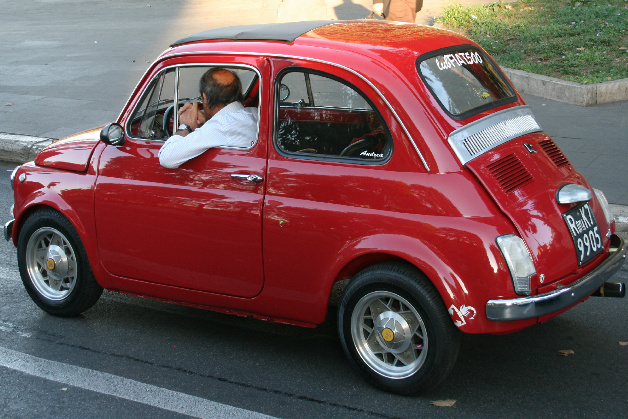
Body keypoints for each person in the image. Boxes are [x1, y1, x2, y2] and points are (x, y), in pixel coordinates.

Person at [158, 68, 258, 169]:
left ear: (204, 97)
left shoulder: (220, 126)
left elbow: (166, 158)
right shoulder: (254, 113)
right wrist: (207, 118)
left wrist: (185, 126)